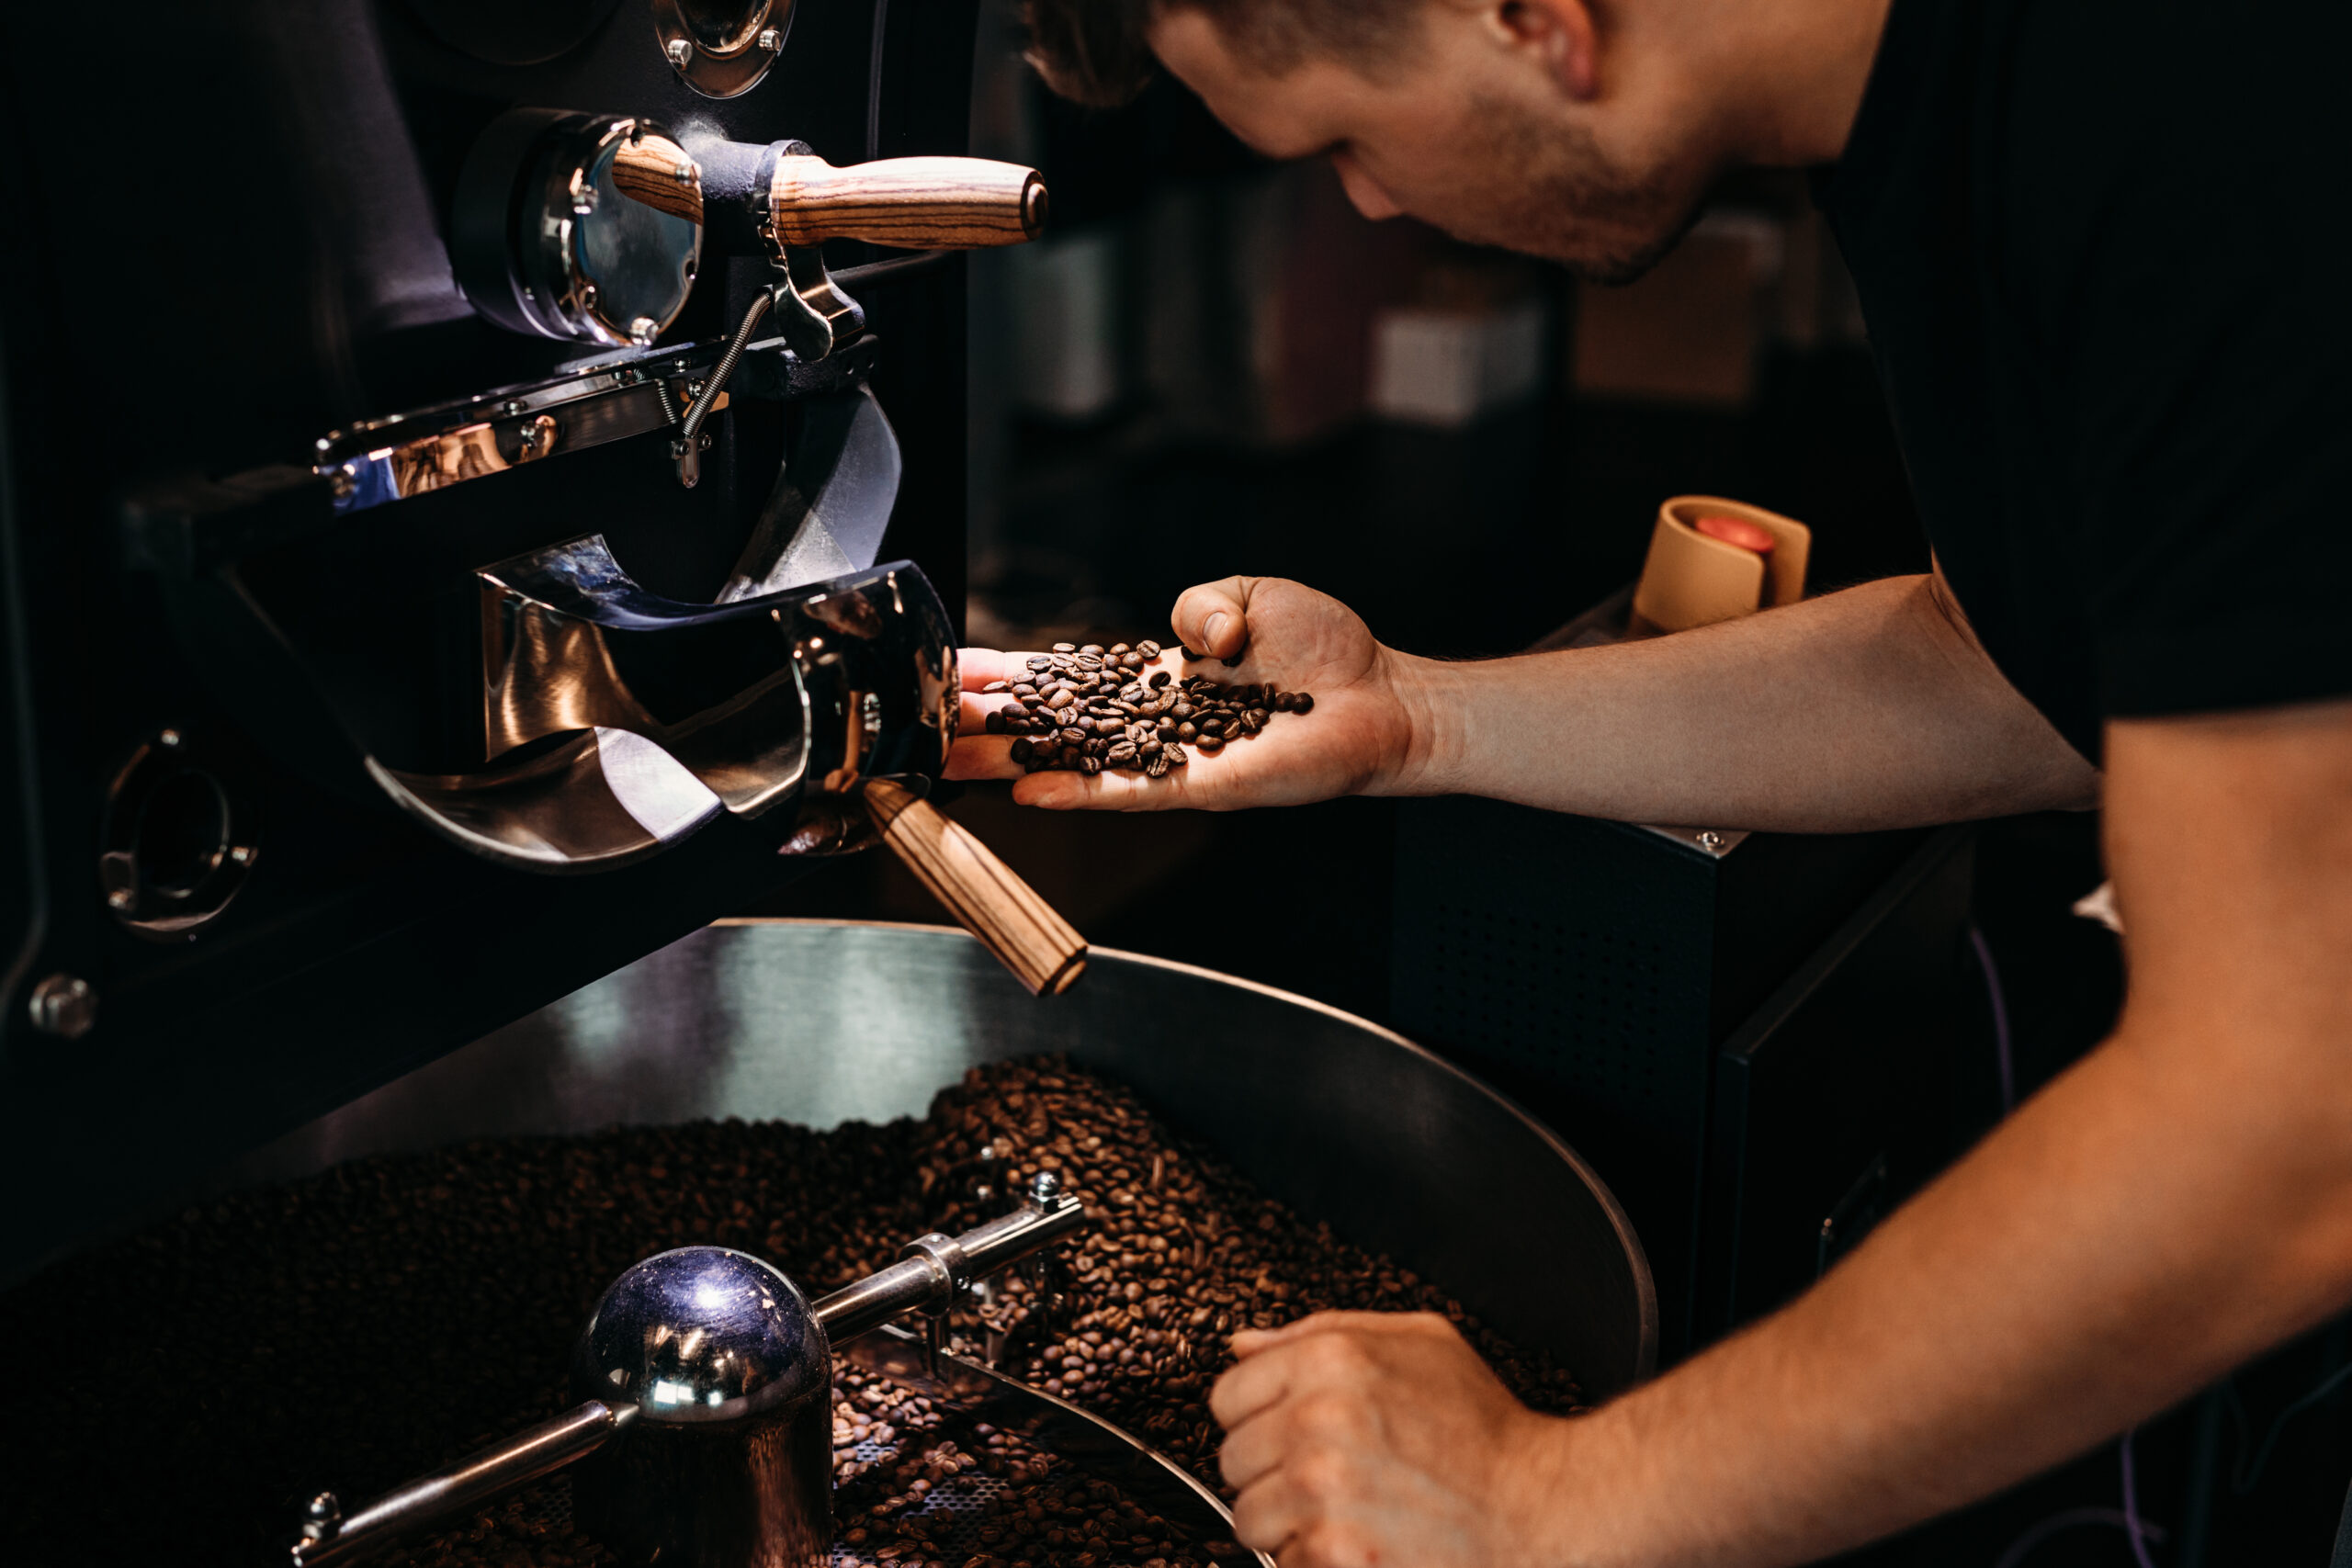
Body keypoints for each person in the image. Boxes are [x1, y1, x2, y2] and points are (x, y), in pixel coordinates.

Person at [951, 0, 2352, 1562]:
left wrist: (1550, 1502)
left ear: (1532, 19)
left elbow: (2286, 1117)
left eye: (1344, 134)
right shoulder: (1945, 114)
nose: (1361, 199)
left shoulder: (2187, 98)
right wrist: (1415, 718)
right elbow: (2019, 665)